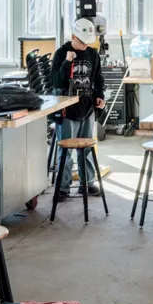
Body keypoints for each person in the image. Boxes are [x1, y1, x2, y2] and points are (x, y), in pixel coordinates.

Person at [50, 17, 105, 201]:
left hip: (87, 108)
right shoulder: (61, 53)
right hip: (67, 109)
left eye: (87, 42)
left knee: (87, 148)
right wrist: (67, 63)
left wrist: (100, 96)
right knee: (65, 150)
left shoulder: (92, 54)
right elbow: (56, 81)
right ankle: (63, 187)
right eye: (81, 41)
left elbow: (98, 79)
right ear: (73, 36)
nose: (84, 45)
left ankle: (87, 183)